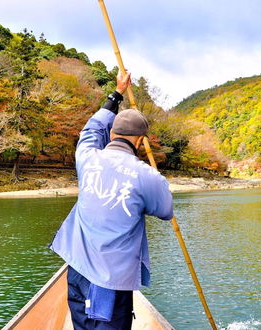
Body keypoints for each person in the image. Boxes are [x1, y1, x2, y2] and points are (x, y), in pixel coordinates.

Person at [50, 70, 173, 329]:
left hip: (78, 268)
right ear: (139, 140)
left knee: (82, 325)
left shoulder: (87, 157)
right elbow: (165, 210)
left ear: (112, 132)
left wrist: (116, 93)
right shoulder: (147, 176)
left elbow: (92, 127)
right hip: (112, 278)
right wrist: (157, 181)